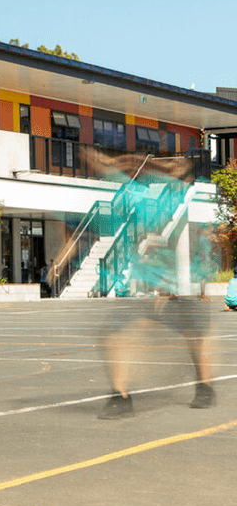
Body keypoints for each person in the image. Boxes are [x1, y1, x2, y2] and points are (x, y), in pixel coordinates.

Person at [87, 150, 215, 416]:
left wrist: (190, 287)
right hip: (153, 287)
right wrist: (109, 164)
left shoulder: (181, 197)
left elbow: (179, 165)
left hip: (180, 287)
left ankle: (205, 387)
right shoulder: (144, 195)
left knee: (195, 338)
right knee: (115, 334)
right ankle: (120, 397)